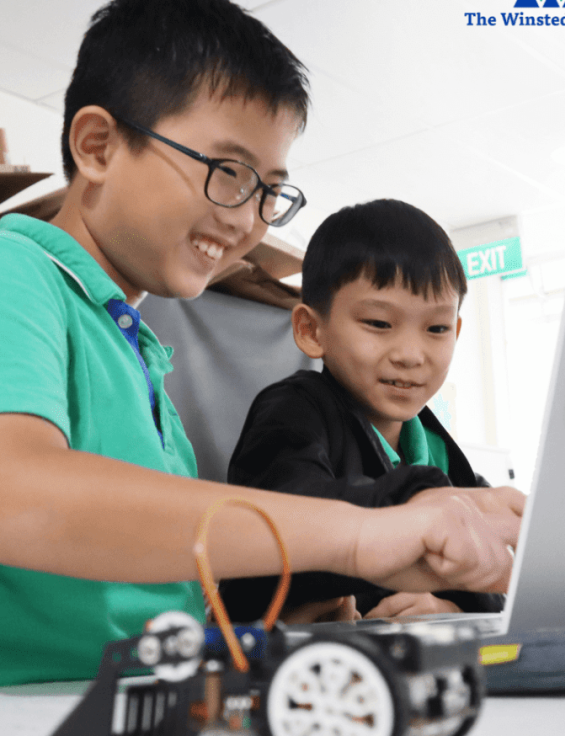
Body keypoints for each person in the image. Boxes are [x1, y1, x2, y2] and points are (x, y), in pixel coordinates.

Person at [0, 0, 522, 695]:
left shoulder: (133, 350)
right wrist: (360, 535)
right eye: (229, 174)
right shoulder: (0, 274)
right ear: (98, 146)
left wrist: (268, 625)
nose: (249, 219)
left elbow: (139, 599)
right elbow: (16, 501)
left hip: (124, 694)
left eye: (269, 191)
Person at [221, 199, 520, 622]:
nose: (411, 354)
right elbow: (288, 521)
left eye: (436, 328)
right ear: (311, 330)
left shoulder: (438, 448)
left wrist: (448, 608)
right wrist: (420, 507)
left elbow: (497, 577)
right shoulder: (293, 410)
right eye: (379, 324)